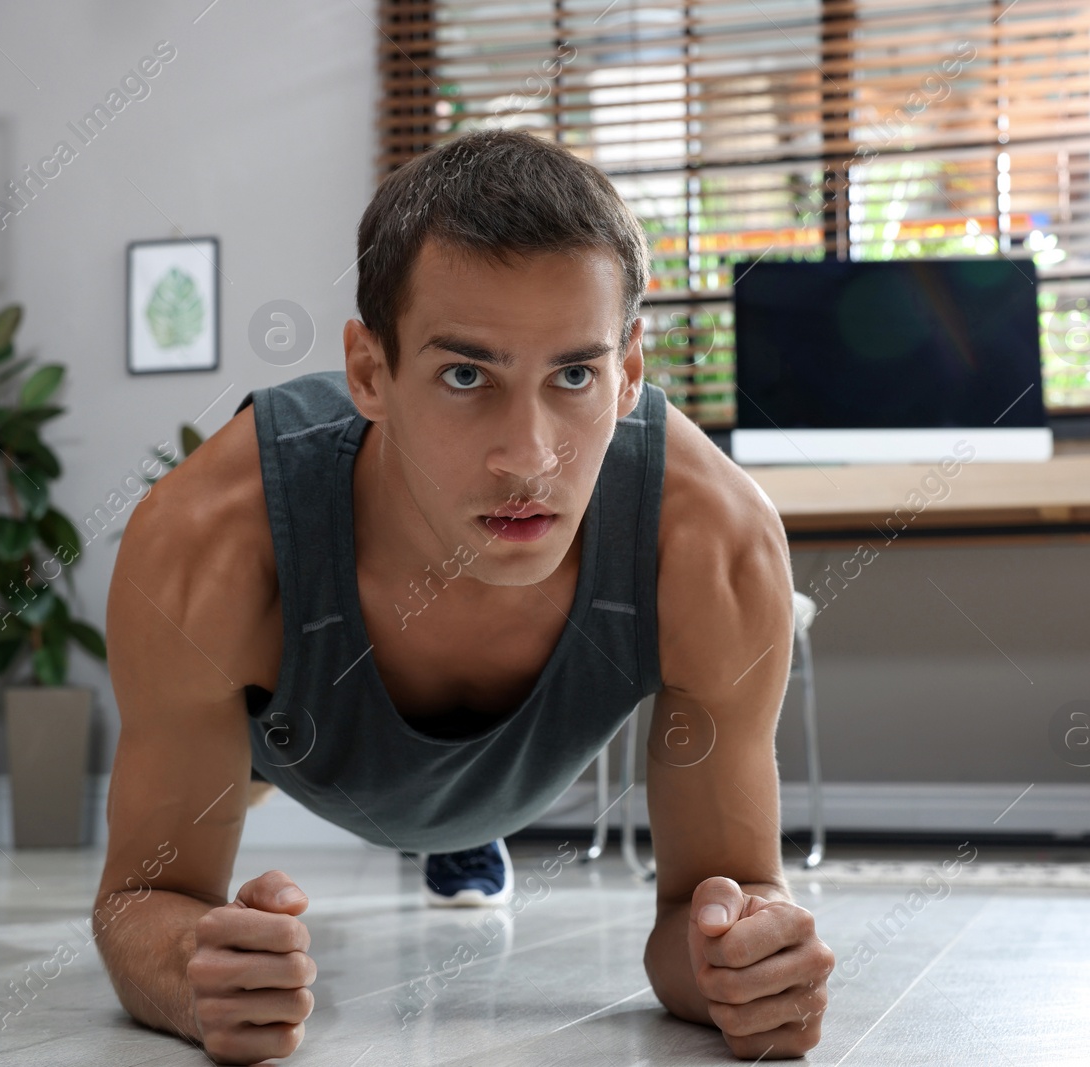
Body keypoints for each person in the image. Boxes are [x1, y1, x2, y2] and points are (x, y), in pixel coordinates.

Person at [94, 128, 833, 1065]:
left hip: (518, 770)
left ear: (631, 373)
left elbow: (706, 903)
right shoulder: (211, 544)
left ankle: (459, 839)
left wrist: (740, 962)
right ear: (369, 372)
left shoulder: (714, 545)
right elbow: (140, 900)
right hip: (298, 743)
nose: (528, 458)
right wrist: (196, 971)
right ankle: (440, 830)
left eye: (575, 374)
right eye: (464, 374)